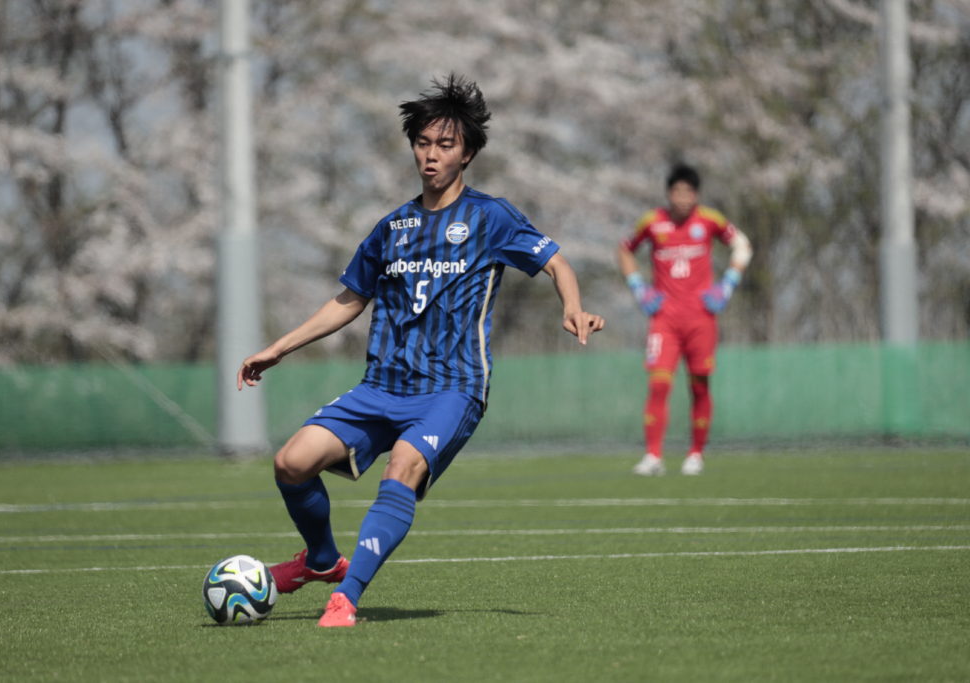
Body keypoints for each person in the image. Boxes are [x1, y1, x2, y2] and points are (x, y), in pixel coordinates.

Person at [237, 74, 605, 627]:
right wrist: (278, 348)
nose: (431, 155)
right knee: (291, 462)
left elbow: (555, 261)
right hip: (382, 385)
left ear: (468, 153)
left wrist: (572, 306)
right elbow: (349, 300)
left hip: (452, 388)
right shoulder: (393, 227)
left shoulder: (490, 217)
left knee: (403, 467)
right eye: (423, 143)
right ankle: (321, 561)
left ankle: (346, 598)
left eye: (445, 145)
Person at [617, 162, 752, 476]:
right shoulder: (652, 222)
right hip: (664, 319)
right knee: (658, 384)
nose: (682, 198)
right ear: (668, 194)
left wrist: (727, 284)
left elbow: (742, 245)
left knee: (700, 385)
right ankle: (653, 456)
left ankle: (696, 454)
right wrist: (639, 288)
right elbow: (624, 251)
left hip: (701, 318)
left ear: (696, 194)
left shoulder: (710, 220)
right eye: (676, 191)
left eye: (688, 192)